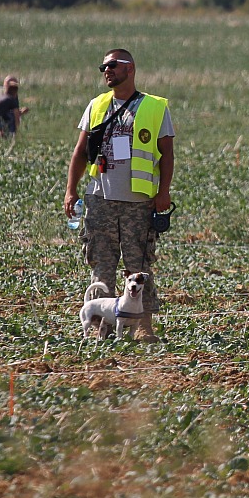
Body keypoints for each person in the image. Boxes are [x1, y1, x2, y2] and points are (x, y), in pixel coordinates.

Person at [65, 49, 175, 341]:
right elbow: (79, 151)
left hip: (138, 201)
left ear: (131, 68)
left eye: (112, 65)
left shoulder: (154, 107)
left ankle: (141, 327)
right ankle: (98, 331)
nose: (106, 70)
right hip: (100, 198)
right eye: (103, 66)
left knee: (139, 264)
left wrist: (163, 191)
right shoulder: (97, 105)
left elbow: (167, 154)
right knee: (101, 263)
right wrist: (70, 191)